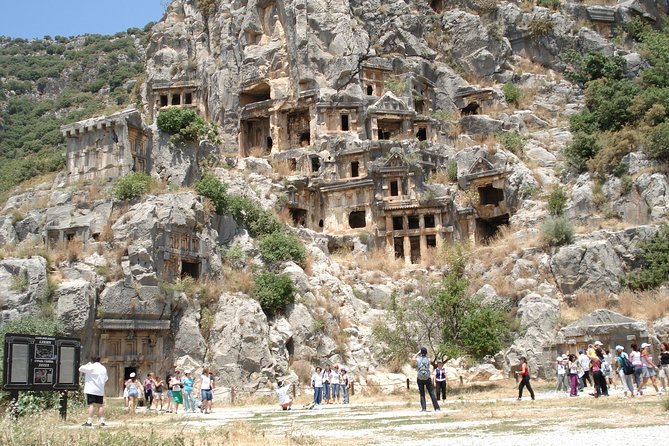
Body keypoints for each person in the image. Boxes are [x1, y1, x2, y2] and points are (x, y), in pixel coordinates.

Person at [79, 355, 108, 427]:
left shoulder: (91, 367)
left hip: (91, 389)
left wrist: (87, 364)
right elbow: (106, 378)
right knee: (100, 405)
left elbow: (80, 368)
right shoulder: (103, 368)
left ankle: (89, 421)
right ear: (99, 360)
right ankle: (102, 421)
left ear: (92, 360)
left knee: (91, 404)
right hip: (100, 389)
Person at [413, 347, 440, 412]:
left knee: (422, 393)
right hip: (427, 377)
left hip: (420, 377)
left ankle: (424, 409)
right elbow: (431, 360)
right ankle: (436, 408)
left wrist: (418, 353)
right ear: (426, 352)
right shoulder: (428, 359)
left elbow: (413, 358)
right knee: (431, 393)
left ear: (421, 353)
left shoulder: (418, 359)